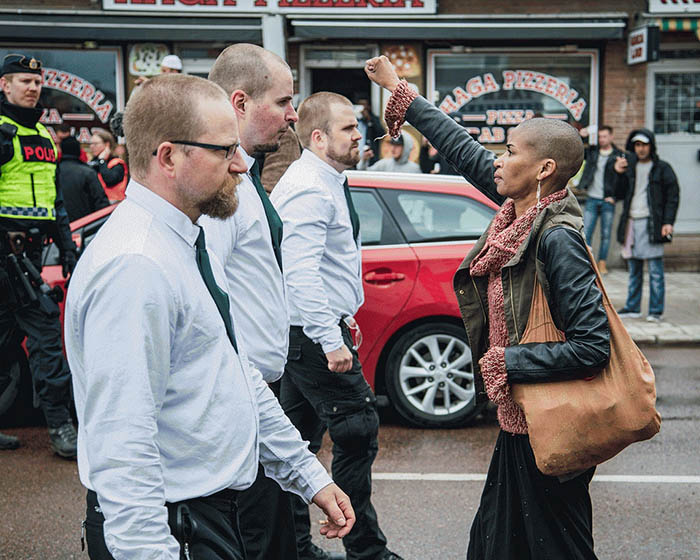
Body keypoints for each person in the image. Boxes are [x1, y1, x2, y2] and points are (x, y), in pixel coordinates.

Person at [64, 73, 355, 560]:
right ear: (169, 157)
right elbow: (124, 443)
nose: (241, 164)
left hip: (208, 516)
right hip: (171, 527)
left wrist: (307, 475)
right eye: (224, 150)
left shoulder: (184, 241)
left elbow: (232, 373)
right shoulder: (136, 266)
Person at [366, 55, 610, 560]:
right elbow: (459, 148)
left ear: (543, 169)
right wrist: (399, 91)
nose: (497, 160)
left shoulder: (557, 238)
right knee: (498, 543)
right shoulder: (515, 214)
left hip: (548, 428)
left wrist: (508, 362)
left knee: (554, 547)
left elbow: (594, 346)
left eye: (509, 152)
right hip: (517, 420)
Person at [272, 91, 404, 560]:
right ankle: (366, 550)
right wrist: (331, 338)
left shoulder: (325, 178)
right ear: (318, 136)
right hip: (312, 335)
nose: (359, 135)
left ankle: (290, 547)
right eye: (348, 128)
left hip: (310, 331)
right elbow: (299, 272)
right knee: (356, 429)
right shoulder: (310, 185)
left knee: (293, 444)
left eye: (356, 126)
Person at [200, 43, 305, 560]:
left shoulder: (244, 173)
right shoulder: (219, 187)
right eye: (283, 101)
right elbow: (213, 308)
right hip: (244, 397)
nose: (293, 115)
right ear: (239, 103)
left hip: (262, 390)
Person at [0, 53, 78, 457]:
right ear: (4, 86)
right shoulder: (2, 132)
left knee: (16, 341)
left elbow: (56, 203)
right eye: (22, 81)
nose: (32, 88)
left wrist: (67, 249)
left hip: (29, 254)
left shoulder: (45, 138)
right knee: (46, 336)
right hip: (5, 256)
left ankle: (60, 424)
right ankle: (61, 427)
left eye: (36, 82)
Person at [614, 129, 679, 322]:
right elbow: (617, 193)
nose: (641, 149)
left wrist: (668, 222)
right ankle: (633, 307)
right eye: (637, 145)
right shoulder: (629, 168)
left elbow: (673, 197)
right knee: (633, 269)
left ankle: (655, 311)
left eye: (644, 145)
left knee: (656, 271)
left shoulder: (662, 168)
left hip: (652, 223)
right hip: (631, 222)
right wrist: (618, 173)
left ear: (651, 146)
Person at [578, 125, 625, 274]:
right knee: (586, 233)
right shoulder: (593, 152)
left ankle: (602, 264)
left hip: (607, 200)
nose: (602, 139)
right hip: (592, 198)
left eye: (605, 136)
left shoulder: (619, 155)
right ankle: (588, 264)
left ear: (611, 137)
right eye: (600, 136)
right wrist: (581, 137)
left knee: (606, 235)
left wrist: (615, 197)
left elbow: (625, 181)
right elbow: (577, 151)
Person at [57, 137, 109, 221]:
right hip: (84, 226)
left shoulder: (54, 172)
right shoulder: (88, 172)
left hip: (59, 225)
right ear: (78, 151)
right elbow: (101, 202)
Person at [88, 129, 128, 202]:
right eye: (90, 144)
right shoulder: (93, 162)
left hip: (112, 205)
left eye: (95, 144)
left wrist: (102, 161)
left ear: (107, 144)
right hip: (96, 204)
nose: (92, 147)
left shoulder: (117, 163)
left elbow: (110, 180)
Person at [356, 97, 384, 167]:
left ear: (369, 106)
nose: (363, 108)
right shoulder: (353, 119)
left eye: (365, 105)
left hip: (370, 156)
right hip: (357, 152)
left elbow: (381, 134)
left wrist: (369, 119)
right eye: (360, 105)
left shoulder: (373, 119)